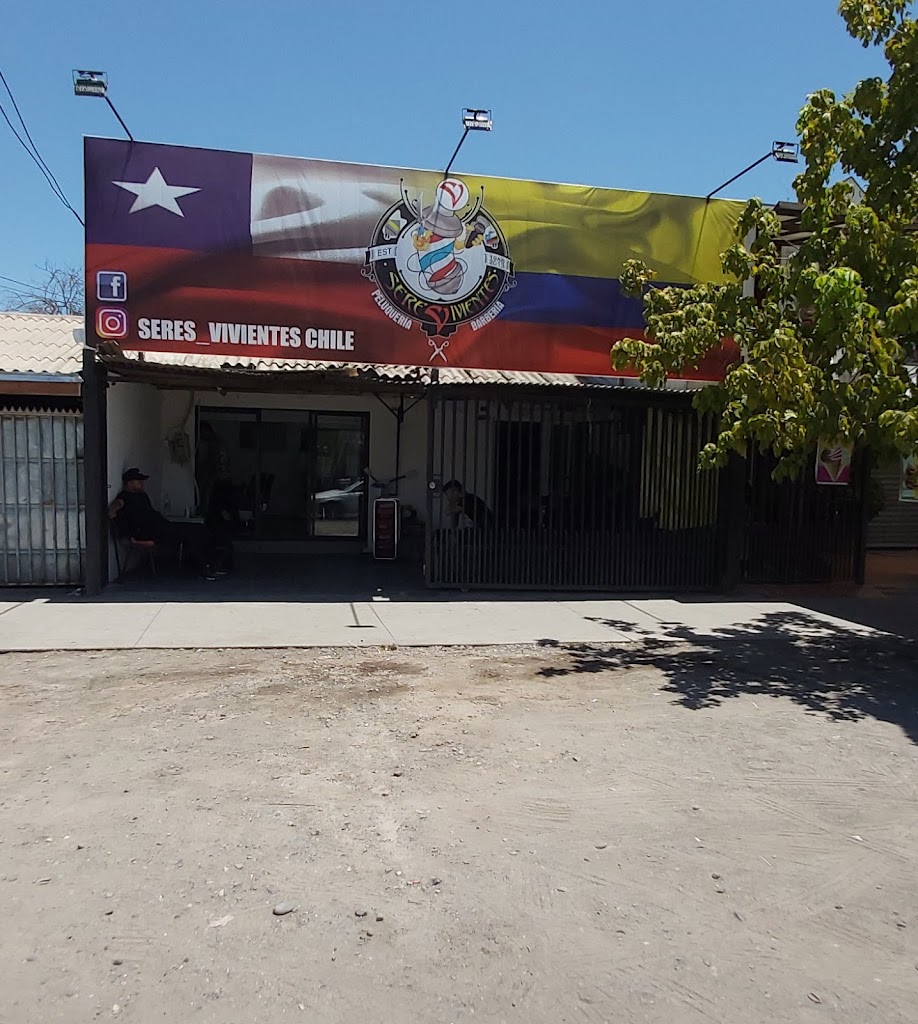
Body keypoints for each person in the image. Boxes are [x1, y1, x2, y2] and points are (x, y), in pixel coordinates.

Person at [108, 468, 231, 579]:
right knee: (189, 533)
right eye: (138, 480)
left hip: (161, 526)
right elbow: (116, 505)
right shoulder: (125, 497)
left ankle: (213, 564)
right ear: (129, 483)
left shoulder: (142, 496)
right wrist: (112, 512)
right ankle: (204, 569)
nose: (141, 483)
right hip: (147, 532)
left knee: (200, 529)